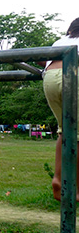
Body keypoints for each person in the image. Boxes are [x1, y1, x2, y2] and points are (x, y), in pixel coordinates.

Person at [42, 18, 79, 201]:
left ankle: (58, 177)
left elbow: (45, 61)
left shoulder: (60, 41)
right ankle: (75, 185)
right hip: (73, 73)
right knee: (78, 133)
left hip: (50, 77)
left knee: (64, 130)